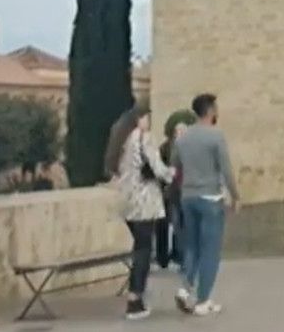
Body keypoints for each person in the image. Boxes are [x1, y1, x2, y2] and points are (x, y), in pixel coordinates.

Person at [103, 103, 175, 321]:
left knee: (139, 247)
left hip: (128, 201)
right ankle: (134, 299)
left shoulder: (121, 141)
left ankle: (137, 298)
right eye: (147, 118)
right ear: (140, 119)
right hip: (144, 202)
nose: (149, 122)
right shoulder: (143, 138)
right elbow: (157, 167)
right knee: (143, 250)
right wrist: (172, 173)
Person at [171, 93, 240, 316]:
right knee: (210, 250)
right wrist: (235, 196)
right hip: (210, 197)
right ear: (210, 111)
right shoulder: (215, 136)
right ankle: (203, 300)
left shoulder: (182, 138)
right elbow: (226, 169)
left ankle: (185, 288)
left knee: (191, 246)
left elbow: (174, 163)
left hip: (187, 197)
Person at [154, 108, 196, 270]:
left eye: (182, 131)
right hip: (173, 193)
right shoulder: (166, 148)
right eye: (177, 131)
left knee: (184, 226)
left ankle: (184, 258)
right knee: (177, 226)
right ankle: (175, 257)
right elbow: (163, 169)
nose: (179, 134)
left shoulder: (191, 148)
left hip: (187, 192)